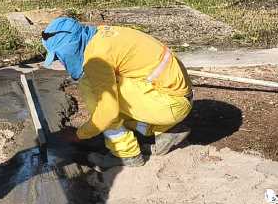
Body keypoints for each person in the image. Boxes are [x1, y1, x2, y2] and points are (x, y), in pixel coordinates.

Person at [41, 16, 193, 167]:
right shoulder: (98, 35)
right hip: (173, 98)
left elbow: (107, 112)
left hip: (170, 103)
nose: (60, 61)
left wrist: (78, 135)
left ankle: (127, 155)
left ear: (69, 48)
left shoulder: (95, 58)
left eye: (58, 56)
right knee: (109, 94)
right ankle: (167, 130)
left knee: (95, 93)